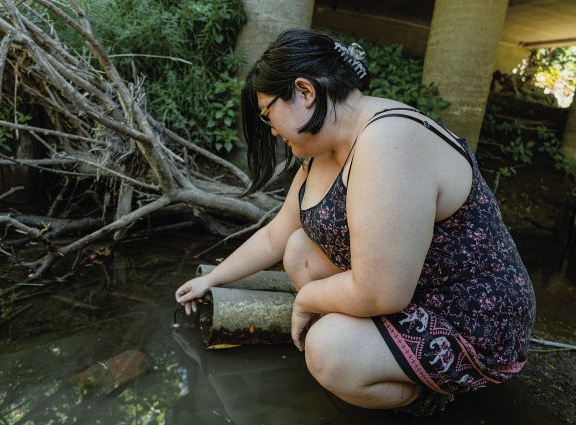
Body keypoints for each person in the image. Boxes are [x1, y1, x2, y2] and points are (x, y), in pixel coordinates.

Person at [175, 28, 536, 416]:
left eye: (269, 116)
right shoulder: (325, 150)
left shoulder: (389, 140)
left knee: (331, 351)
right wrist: (212, 279)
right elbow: (275, 236)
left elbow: (383, 293)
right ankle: (378, 352)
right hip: (414, 291)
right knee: (300, 248)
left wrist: (307, 301)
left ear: (305, 92)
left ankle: (426, 395)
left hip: (471, 319)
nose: (273, 130)